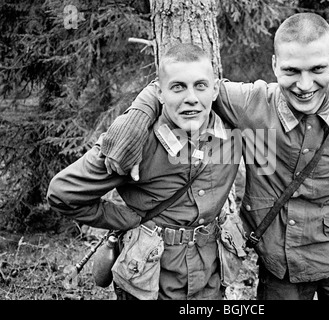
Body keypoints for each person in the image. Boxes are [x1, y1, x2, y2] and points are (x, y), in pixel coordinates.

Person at [99, 13, 329, 300]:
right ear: (273, 66)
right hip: (279, 268)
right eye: (291, 71)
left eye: (318, 69)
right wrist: (138, 117)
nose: (305, 84)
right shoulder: (251, 103)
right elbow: (179, 85)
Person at [47, 43, 244, 300]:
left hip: (211, 279)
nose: (191, 98)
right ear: (159, 93)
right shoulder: (134, 142)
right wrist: (124, 218)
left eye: (200, 86)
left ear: (215, 89)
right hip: (149, 281)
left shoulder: (234, 132)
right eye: (178, 87)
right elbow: (63, 193)